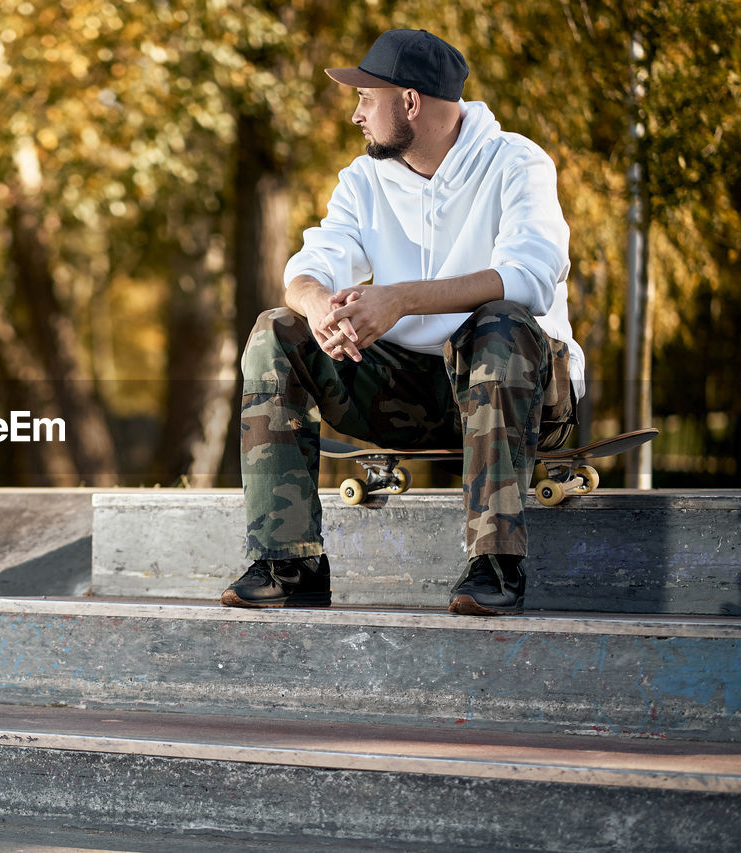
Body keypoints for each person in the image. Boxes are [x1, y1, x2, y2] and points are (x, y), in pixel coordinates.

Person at [220, 29, 584, 616]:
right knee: (275, 330)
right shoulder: (362, 181)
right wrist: (319, 308)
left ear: (409, 102)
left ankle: (496, 563)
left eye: (366, 98)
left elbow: (531, 276)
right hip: (405, 396)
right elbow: (308, 268)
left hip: (522, 395)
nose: (356, 114)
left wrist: (399, 299)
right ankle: (291, 562)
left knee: (502, 322)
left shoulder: (516, 162)